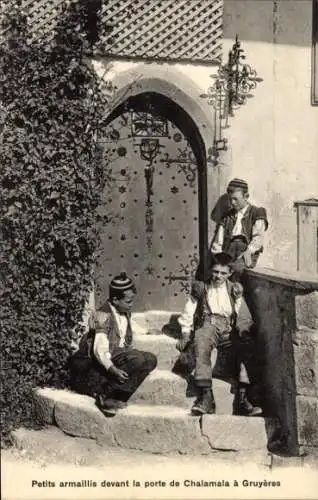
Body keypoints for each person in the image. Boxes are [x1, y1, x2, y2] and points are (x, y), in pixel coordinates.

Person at [175, 252, 262, 417]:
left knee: (247, 347)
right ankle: (206, 396)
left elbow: (241, 313)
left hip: (229, 326)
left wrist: (244, 331)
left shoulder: (234, 289)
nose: (218, 276)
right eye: (215, 272)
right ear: (210, 271)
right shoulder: (202, 288)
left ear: (229, 273)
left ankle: (244, 398)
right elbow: (189, 309)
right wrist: (185, 333)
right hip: (209, 323)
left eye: (223, 273)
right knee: (201, 341)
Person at [69, 273, 157, 416]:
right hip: (98, 359)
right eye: (128, 302)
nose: (131, 304)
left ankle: (119, 394)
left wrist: (147, 331)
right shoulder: (103, 316)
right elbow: (100, 349)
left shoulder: (123, 311)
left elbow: (123, 327)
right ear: (115, 300)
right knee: (137, 359)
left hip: (117, 352)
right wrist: (112, 369)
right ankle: (104, 394)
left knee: (151, 359)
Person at [210, 178, 268, 279]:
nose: (232, 202)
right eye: (230, 199)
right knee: (217, 270)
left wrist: (249, 252)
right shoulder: (227, 216)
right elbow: (218, 241)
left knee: (234, 271)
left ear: (246, 197)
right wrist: (218, 256)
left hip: (246, 251)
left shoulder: (256, 212)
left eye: (235, 199)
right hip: (228, 251)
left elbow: (258, 238)